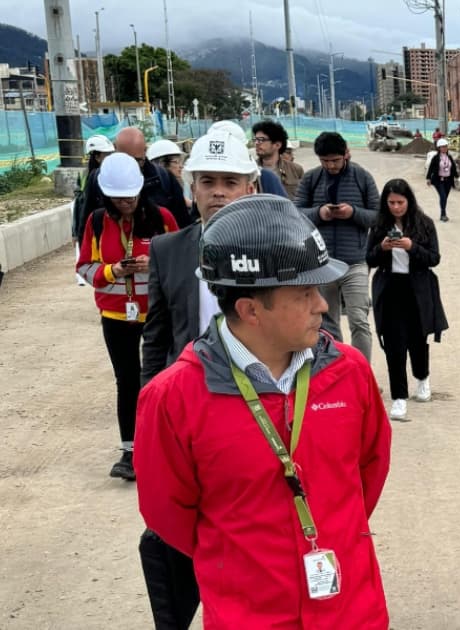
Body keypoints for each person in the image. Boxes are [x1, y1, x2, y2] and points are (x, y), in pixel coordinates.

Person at [135, 194, 391, 628]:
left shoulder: (350, 374)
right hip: (247, 615)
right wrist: (245, 564)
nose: (323, 306)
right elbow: (169, 514)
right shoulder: (174, 398)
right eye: (306, 293)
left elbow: (369, 471)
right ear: (250, 309)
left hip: (351, 612)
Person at [137, 129, 260, 630]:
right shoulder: (168, 250)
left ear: (251, 188)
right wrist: (149, 407)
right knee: (177, 531)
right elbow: (156, 335)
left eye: (230, 181)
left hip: (255, 413)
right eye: (207, 181)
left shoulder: (280, 249)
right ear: (191, 188)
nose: (218, 192)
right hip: (189, 413)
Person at [75, 153, 179, 480]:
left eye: (131, 196)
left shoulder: (162, 218)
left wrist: (156, 262)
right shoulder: (95, 222)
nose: (127, 202)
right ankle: (130, 450)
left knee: (163, 379)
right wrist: (114, 270)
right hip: (115, 316)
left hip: (157, 314)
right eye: (119, 198)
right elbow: (85, 269)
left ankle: (167, 447)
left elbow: (182, 256)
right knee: (128, 381)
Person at [366, 178, 448, 421]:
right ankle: (399, 398)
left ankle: (422, 377)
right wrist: (382, 248)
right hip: (390, 289)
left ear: (409, 201)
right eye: (391, 202)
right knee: (394, 345)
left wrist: (411, 246)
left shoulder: (424, 224)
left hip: (417, 289)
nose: (396, 207)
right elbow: (369, 259)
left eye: (400, 202)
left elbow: (434, 258)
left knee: (417, 339)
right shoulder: (379, 225)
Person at [296, 131, 380, 360]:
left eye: (335, 160)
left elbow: (378, 216)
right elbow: (296, 214)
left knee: (359, 320)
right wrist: (320, 213)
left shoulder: (362, 177)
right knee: (326, 323)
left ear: (346, 154)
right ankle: (336, 370)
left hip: (356, 262)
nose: (331, 165)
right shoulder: (311, 179)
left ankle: (362, 373)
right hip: (322, 263)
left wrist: (352, 213)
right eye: (325, 161)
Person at [77, 127, 192, 233]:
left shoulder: (164, 179)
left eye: (137, 161)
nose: (131, 167)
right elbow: (86, 227)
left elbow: (182, 225)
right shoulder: (98, 179)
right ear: (115, 149)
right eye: (126, 160)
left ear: (145, 151)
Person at [73, 135, 116, 285]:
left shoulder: (97, 175)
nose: (111, 158)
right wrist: (78, 234)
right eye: (107, 155)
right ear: (97, 156)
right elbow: (82, 208)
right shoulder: (93, 177)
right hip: (100, 228)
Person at [208, 120, 289, 198]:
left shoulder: (265, 178)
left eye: (231, 183)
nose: (218, 193)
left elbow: (284, 209)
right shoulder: (265, 176)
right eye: (208, 182)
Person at [253, 119, 305, 199]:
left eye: (261, 140)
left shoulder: (296, 170)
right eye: (255, 139)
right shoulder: (250, 171)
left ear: (277, 145)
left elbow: (304, 199)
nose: (256, 143)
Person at [425, 138, 458, 223]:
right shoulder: (436, 158)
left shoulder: (449, 157)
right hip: (439, 180)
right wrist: (428, 178)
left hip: (448, 181)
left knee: (445, 198)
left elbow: (453, 168)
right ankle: (443, 214)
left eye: (446, 146)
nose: (444, 148)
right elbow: (431, 168)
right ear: (439, 148)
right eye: (442, 147)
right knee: (443, 196)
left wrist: (456, 177)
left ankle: (443, 213)